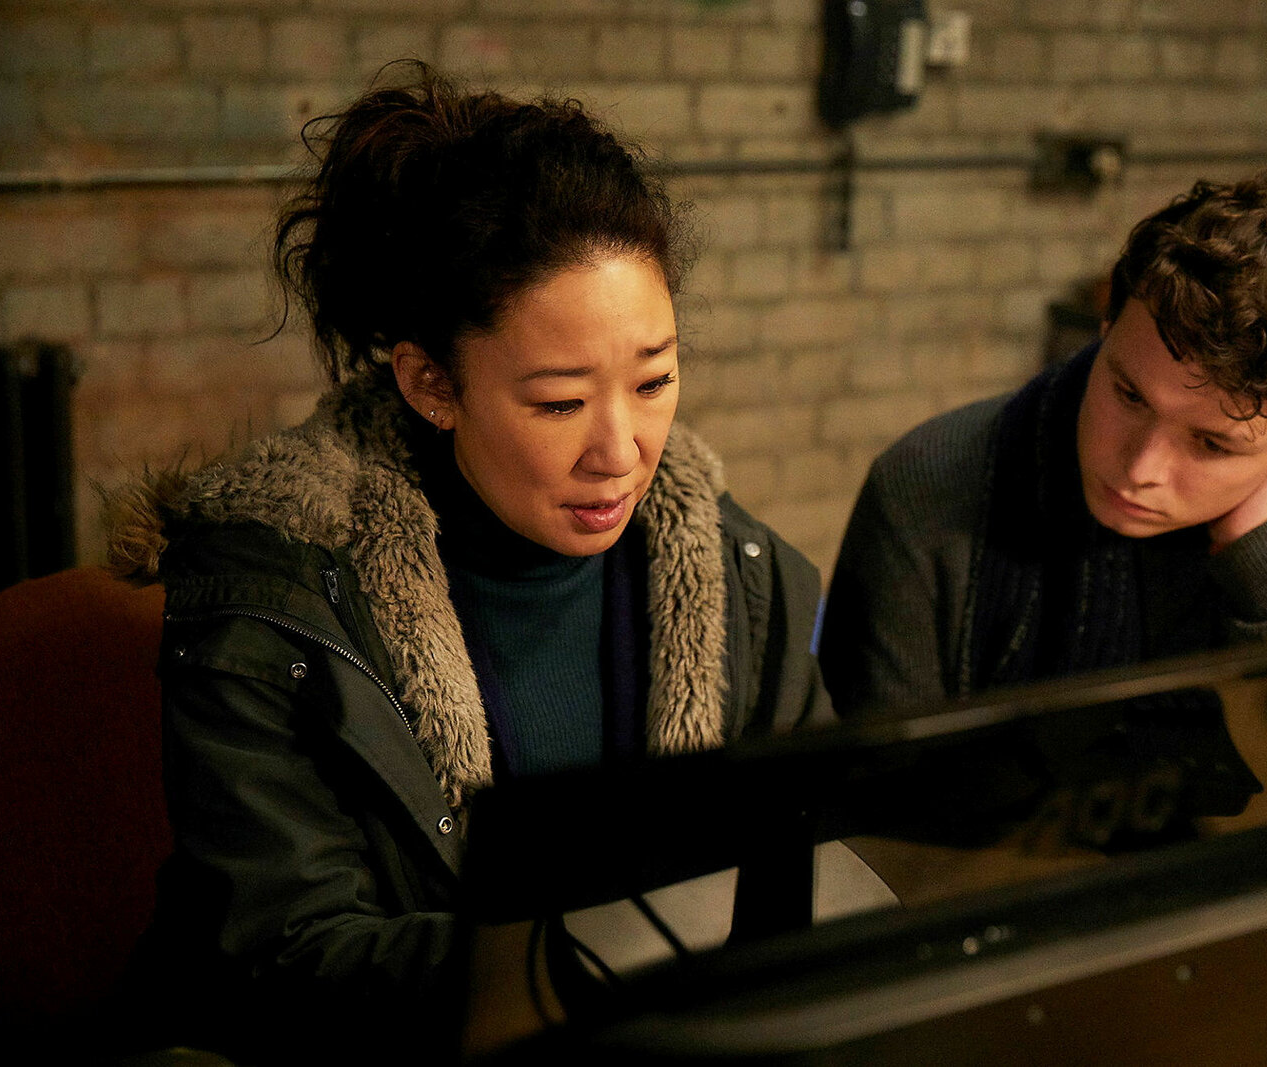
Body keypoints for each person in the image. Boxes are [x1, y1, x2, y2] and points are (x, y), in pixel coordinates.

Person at [105, 61, 831, 1063]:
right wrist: (593, 958)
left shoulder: (741, 579)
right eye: (559, 402)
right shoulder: (278, 606)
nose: (620, 450)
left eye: (655, 379)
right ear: (430, 384)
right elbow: (290, 956)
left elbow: (817, 863)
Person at [820, 170, 1267, 718]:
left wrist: (1261, 552)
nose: (1140, 468)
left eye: (1211, 444)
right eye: (1128, 395)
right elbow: (880, 798)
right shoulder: (931, 488)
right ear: (1105, 328)